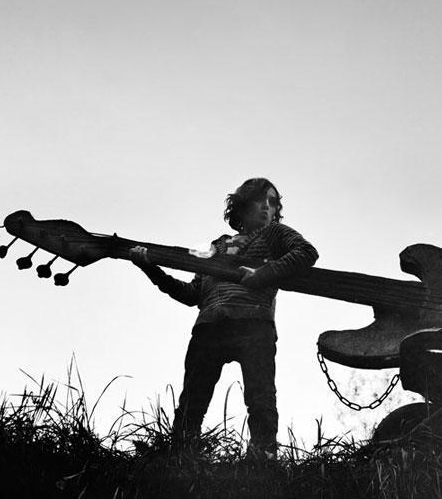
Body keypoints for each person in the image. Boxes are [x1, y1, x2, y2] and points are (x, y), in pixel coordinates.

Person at [130, 177, 318, 460]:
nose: (268, 207)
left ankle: (262, 461)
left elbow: (307, 252)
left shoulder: (275, 234)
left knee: (260, 398)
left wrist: (263, 274)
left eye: (274, 202)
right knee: (192, 400)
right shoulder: (216, 246)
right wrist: (150, 269)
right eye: (261, 200)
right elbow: (192, 294)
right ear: (243, 203)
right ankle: (181, 458)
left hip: (254, 325)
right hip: (209, 327)